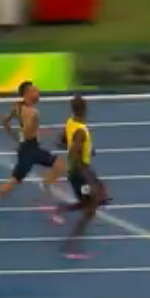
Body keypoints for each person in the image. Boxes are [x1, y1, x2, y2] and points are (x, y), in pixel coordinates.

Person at [0, 81, 65, 224]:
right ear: (27, 94)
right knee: (9, 186)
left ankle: (45, 192)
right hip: (29, 151)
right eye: (35, 90)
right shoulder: (32, 113)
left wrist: (15, 136)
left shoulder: (18, 107)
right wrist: (26, 133)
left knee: (59, 164)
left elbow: (5, 121)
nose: (38, 92)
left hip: (31, 149)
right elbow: (26, 132)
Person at [53, 95, 110, 259]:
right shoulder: (80, 131)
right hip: (80, 173)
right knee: (90, 208)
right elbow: (73, 153)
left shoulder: (70, 123)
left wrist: (86, 148)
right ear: (85, 109)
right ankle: (70, 246)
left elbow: (61, 142)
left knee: (97, 199)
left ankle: (62, 208)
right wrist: (88, 178)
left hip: (80, 170)